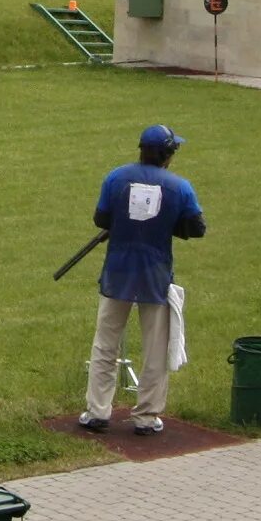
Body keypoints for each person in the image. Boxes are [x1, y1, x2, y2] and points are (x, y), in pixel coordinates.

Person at [79, 124, 206, 437]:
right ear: (168, 154)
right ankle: (146, 417)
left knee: (105, 344)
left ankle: (97, 412)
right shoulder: (180, 187)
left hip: (117, 271)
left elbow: (101, 219)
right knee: (155, 348)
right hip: (155, 274)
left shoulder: (116, 177)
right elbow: (196, 228)